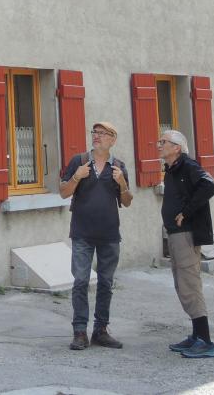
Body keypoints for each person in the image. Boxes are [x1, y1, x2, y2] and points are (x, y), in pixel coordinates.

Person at [59, 120, 132, 350]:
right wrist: (76, 177)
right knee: (80, 281)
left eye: (103, 133)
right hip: (82, 232)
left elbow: (127, 201)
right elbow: (63, 192)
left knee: (106, 283)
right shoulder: (79, 162)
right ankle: (80, 331)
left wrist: (121, 183)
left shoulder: (118, 166)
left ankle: (101, 330)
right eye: (95, 132)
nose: (97, 136)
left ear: (113, 139)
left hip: (109, 234)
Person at [159, 128, 214, 358]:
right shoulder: (172, 169)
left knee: (189, 284)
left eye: (163, 141)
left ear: (177, 148)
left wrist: (186, 211)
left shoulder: (188, 166)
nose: (159, 145)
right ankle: (196, 336)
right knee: (182, 284)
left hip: (186, 233)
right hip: (175, 233)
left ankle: (205, 340)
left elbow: (209, 186)